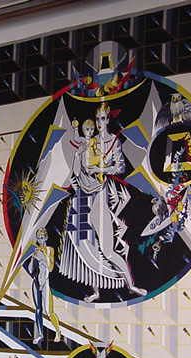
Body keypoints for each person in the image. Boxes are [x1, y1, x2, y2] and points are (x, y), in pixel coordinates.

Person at [59, 102, 146, 302]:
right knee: (86, 246)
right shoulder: (89, 141)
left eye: (103, 119)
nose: (99, 123)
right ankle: (96, 291)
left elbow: (120, 167)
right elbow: (76, 168)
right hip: (83, 195)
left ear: (108, 119)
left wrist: (101, 169)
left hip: (100, 193)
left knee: (107, 249)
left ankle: (130, 284)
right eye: (97, 119)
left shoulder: (114, 142)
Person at [27, 228, 61, 344]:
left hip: (45, 282)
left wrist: (44, 255)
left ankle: (58, 331)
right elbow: (30, 270)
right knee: (38, 310)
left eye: (43, 237)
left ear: (46, 238)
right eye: (39, 238)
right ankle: (40, 334)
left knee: (48, 311)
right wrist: (33, 256)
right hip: (36, 282)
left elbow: (50, 268)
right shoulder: (36, 251)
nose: (41, 240)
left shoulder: (50, 250)